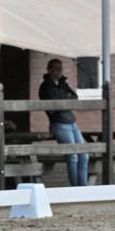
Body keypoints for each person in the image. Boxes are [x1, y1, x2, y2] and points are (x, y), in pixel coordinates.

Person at [38, 58, 89, 186]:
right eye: (56, 68)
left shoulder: (63, 83)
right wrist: (65, 100)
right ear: (49, 70)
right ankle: (75, 188)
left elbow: (75, 97)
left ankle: (84, 188)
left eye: (61, 68)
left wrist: (63, 101)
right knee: (72, 156)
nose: (60, 71)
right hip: (59, 123)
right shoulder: (45, 86)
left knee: (84, 154)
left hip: (72, 122)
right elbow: (54, 106)